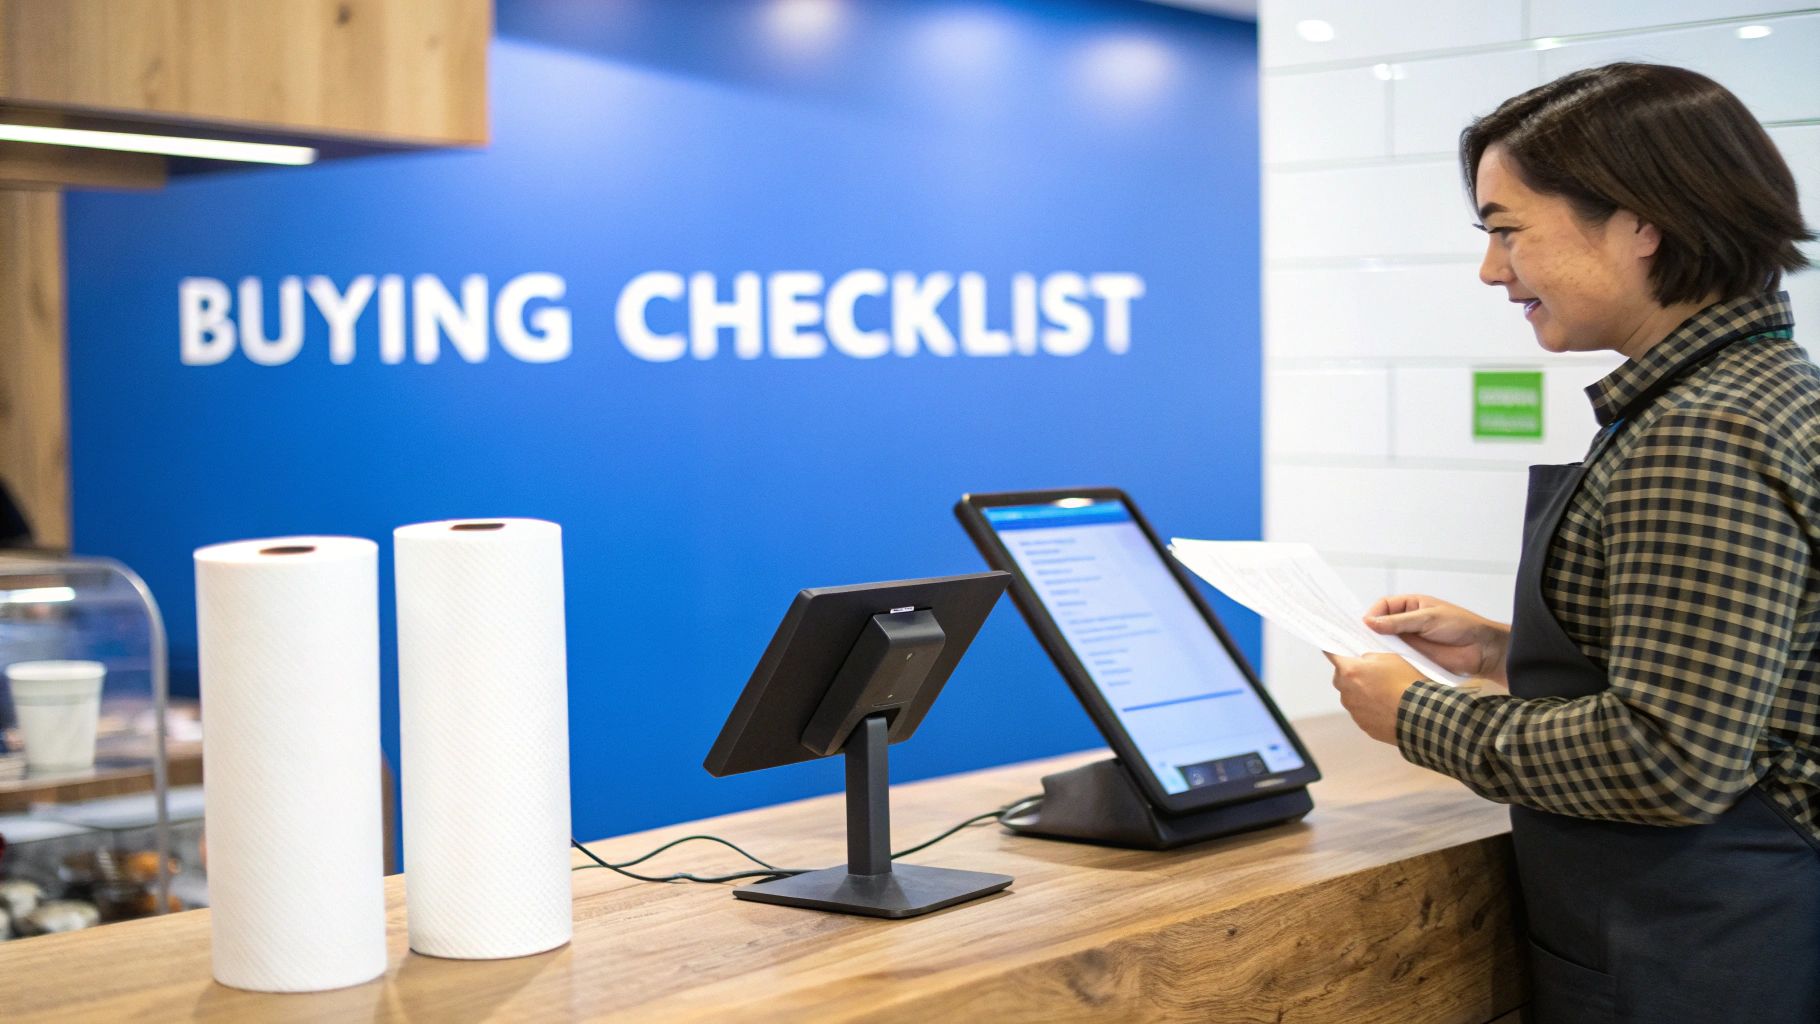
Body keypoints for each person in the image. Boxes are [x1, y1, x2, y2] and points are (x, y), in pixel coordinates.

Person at [1325, 63, 1819, 1023]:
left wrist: (1418, 713)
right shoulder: (1760, 389)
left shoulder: (1699, 429)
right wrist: (1509, 653)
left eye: (1508, 231)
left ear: (1642, 223)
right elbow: (1741, 684)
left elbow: (1669, 755)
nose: (1492, 271)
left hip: (1695, 952)